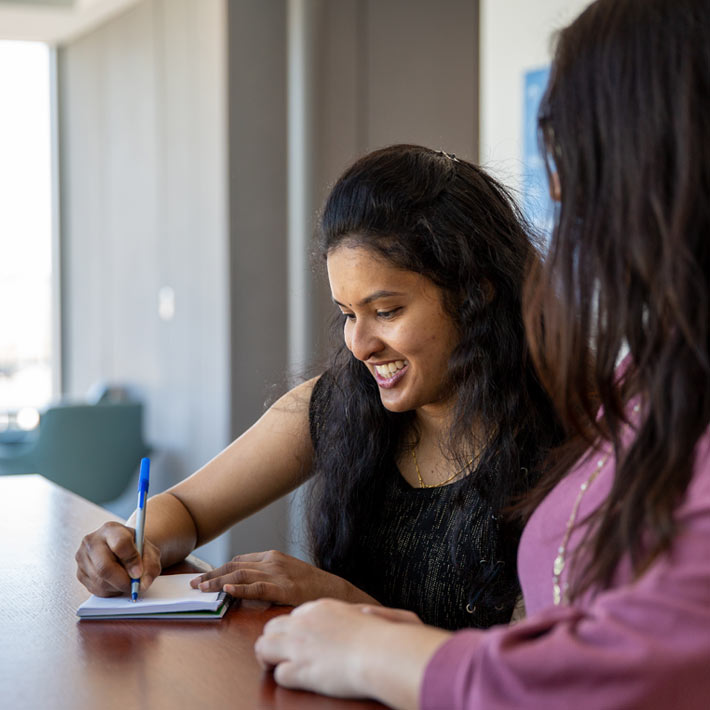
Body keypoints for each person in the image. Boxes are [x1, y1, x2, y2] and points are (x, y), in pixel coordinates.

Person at [254, 0, 710, 707]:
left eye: (388, 310)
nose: (566, 201)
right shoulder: (648, 377)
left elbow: (634, 664)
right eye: (349, 314)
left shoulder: (577, 406)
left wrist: (380, 649)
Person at [75, 144, 561, 632]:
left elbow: (532, 677)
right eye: (348, 315)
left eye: (387, 312)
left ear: (476, 291)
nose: (360, 345)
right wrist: (132, 543)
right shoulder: (341, 403)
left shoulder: (563, 438)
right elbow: (188, 508)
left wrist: (344, 601)